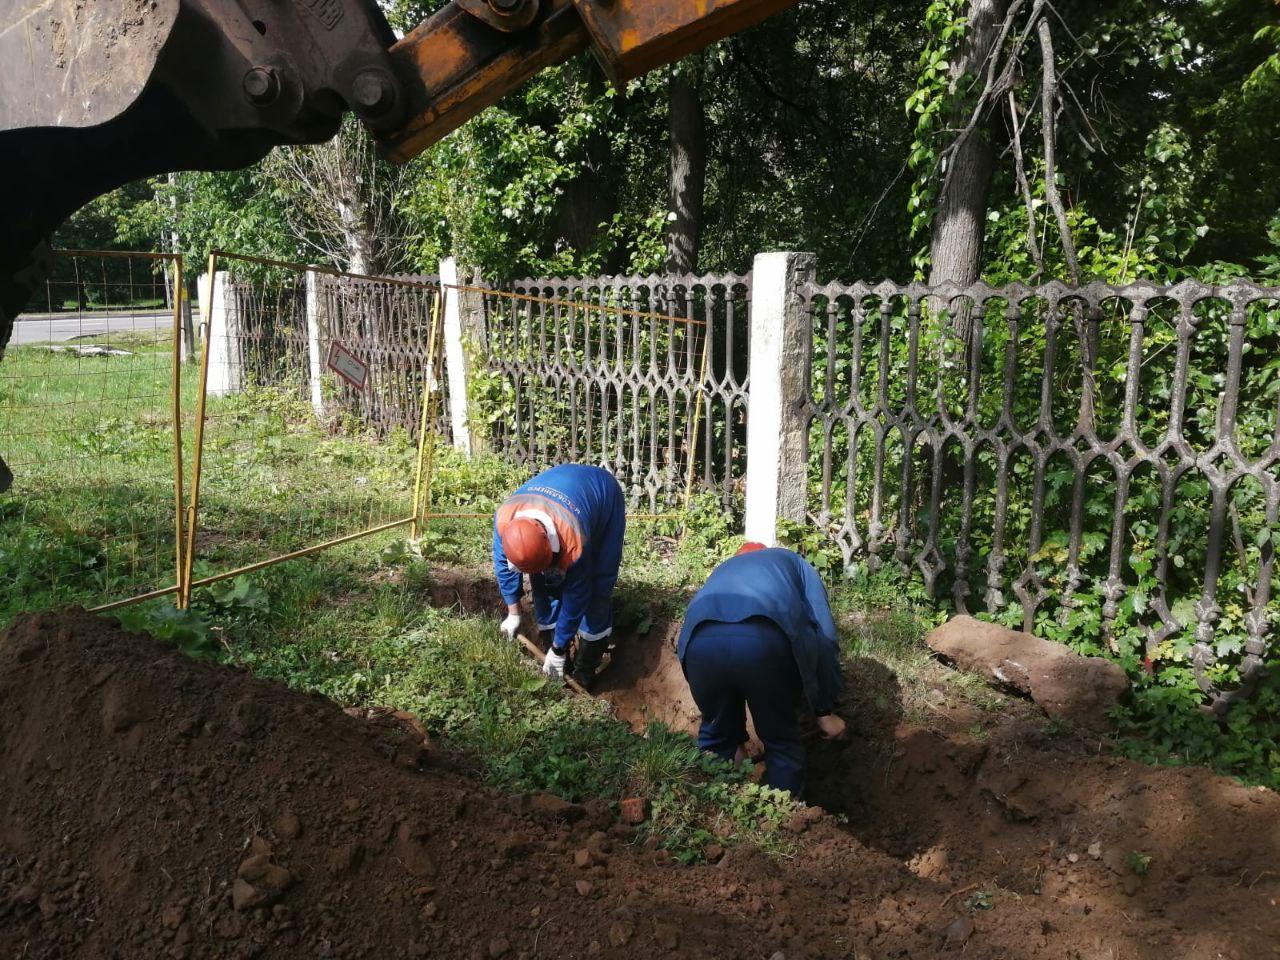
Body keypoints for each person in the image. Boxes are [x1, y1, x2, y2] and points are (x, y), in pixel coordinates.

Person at [678, 542, 846, 796]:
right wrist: (824, 710)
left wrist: (731, 736)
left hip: (698, 645)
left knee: (716, 740)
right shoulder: (794, 563)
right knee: (780, 742)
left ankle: (714, 815)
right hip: (764, 641)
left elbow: (714, 635)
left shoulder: (723, 569)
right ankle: (779, 821)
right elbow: (823, 635)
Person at [493, 463, 626, 687]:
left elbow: (578, 594)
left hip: (603, 496)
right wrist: (513, 612)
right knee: (546, 584)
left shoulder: (572, 538)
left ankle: (585, 667)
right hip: (560, 496)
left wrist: (559, 648)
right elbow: (503, 567)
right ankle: (558, 656)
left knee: (598, 587)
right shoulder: (505, 520)